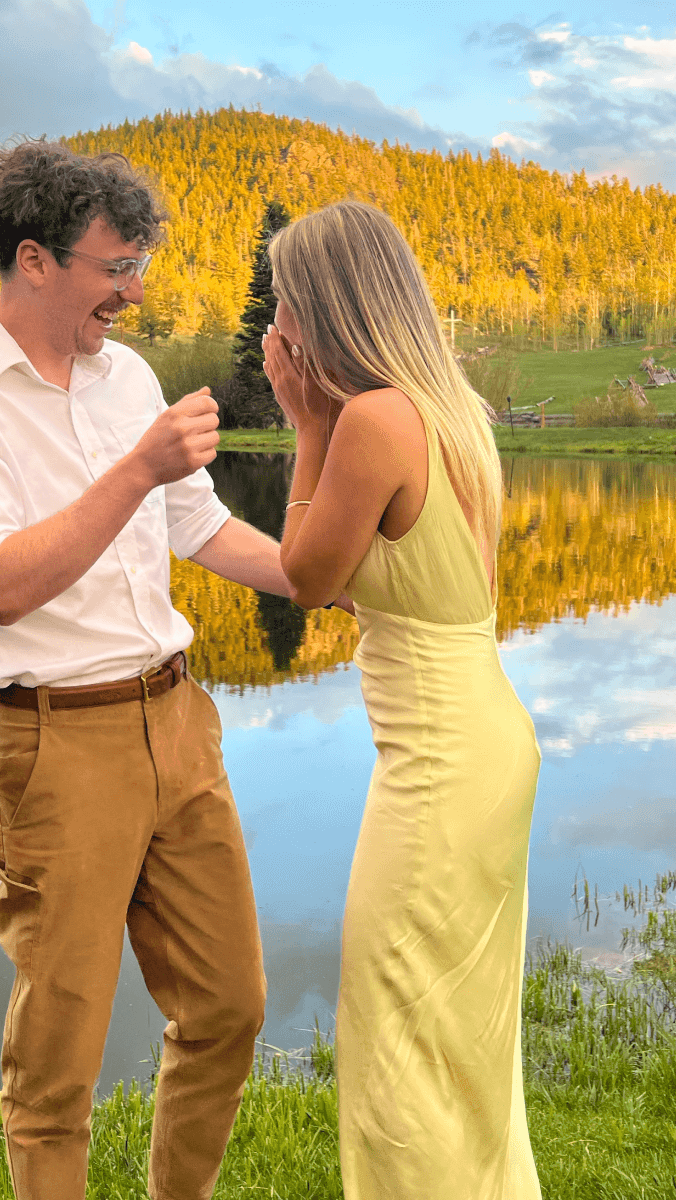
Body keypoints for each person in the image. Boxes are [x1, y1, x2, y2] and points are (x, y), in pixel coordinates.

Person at [0, 139, 308, 1200]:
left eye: (139, 263)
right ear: (34, 259)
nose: (135, 288)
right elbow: (0, 583)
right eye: (116, 266)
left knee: (229, 1006)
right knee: (58, 1062)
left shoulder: (129, 380)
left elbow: (200, 529)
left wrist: (330, 574)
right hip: (53, 746)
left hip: (178, 722)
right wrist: (140, 467)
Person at [262, 199, 541, 1198]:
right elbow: (354, 574)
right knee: (460, 1033)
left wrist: (304, 421)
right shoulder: (447, 409)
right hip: (485, 739)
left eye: (289, 300)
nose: (278, 325)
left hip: (437, 770)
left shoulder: (373, 422)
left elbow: (303, 575)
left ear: (327, 310)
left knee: (396, 1033)